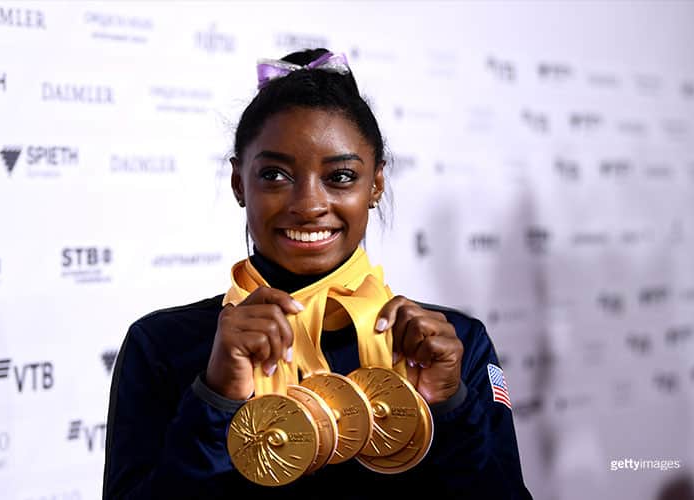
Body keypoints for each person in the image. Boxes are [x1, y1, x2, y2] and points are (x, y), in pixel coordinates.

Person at [102, 48, 532, 500]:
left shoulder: (452, 343)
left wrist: (449, 405)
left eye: (341, 176)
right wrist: (215, 398)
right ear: (237, 183)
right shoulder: (162, 345)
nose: (308, 206)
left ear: (376, 184)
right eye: (275, 174)